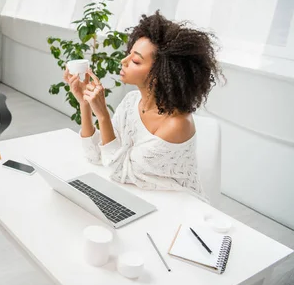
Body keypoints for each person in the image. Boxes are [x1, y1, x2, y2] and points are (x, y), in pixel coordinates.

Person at [65, 11, 222, 201]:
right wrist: (84, 104)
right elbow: (98, 155)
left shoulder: (176, 125)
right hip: (139, 197)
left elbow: (119, 170)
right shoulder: (132, 102)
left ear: (160, 73)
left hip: (180, 209)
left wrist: (104, 116)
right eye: (129, 54)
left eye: (136, 60)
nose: (123, 61)